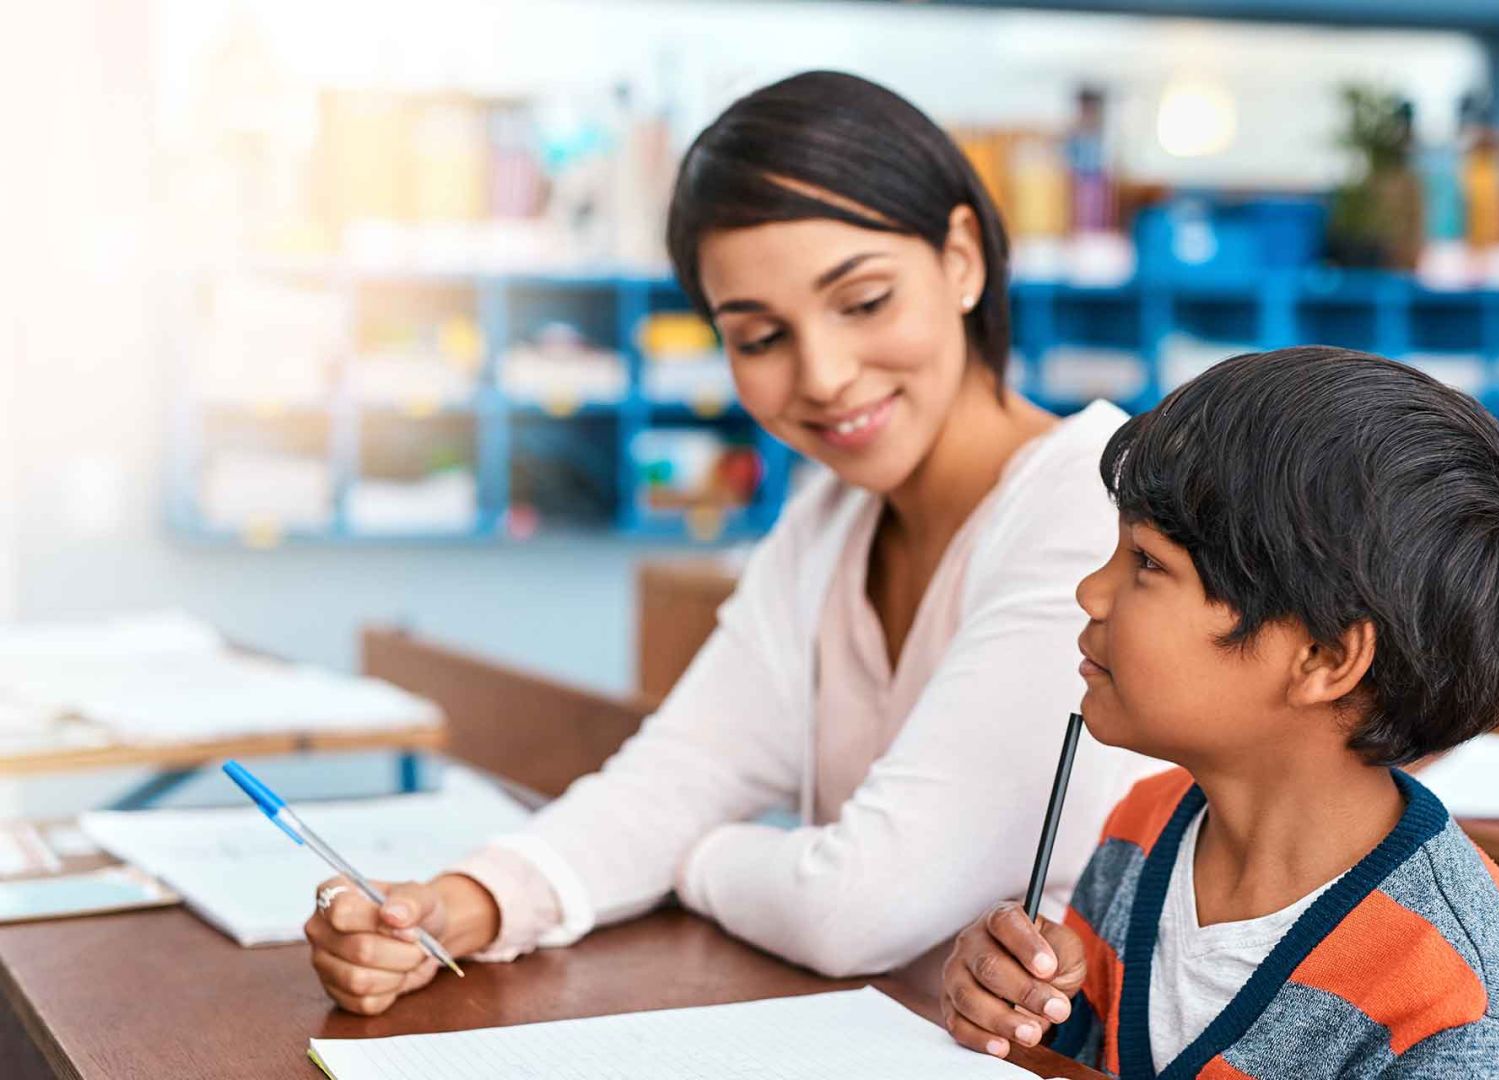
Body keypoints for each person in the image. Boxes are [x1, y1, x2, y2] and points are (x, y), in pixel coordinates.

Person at [304, 70, 1157, 1015]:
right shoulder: (829, 519)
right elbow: (684, 772)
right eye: (760, 338)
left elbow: (855, 907)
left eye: (864, 301)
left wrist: (695, 855)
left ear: (961, 257)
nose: (825, 376)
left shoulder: (1089, 514)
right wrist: (461, 907)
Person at [942, 347, 1499, 1077]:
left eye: (1148, 563)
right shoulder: (1144, 828)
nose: (1091, 591)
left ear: (1324, 658)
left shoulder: (1467, 1021)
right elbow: (1076, 1056)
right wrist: (1024, 1015)